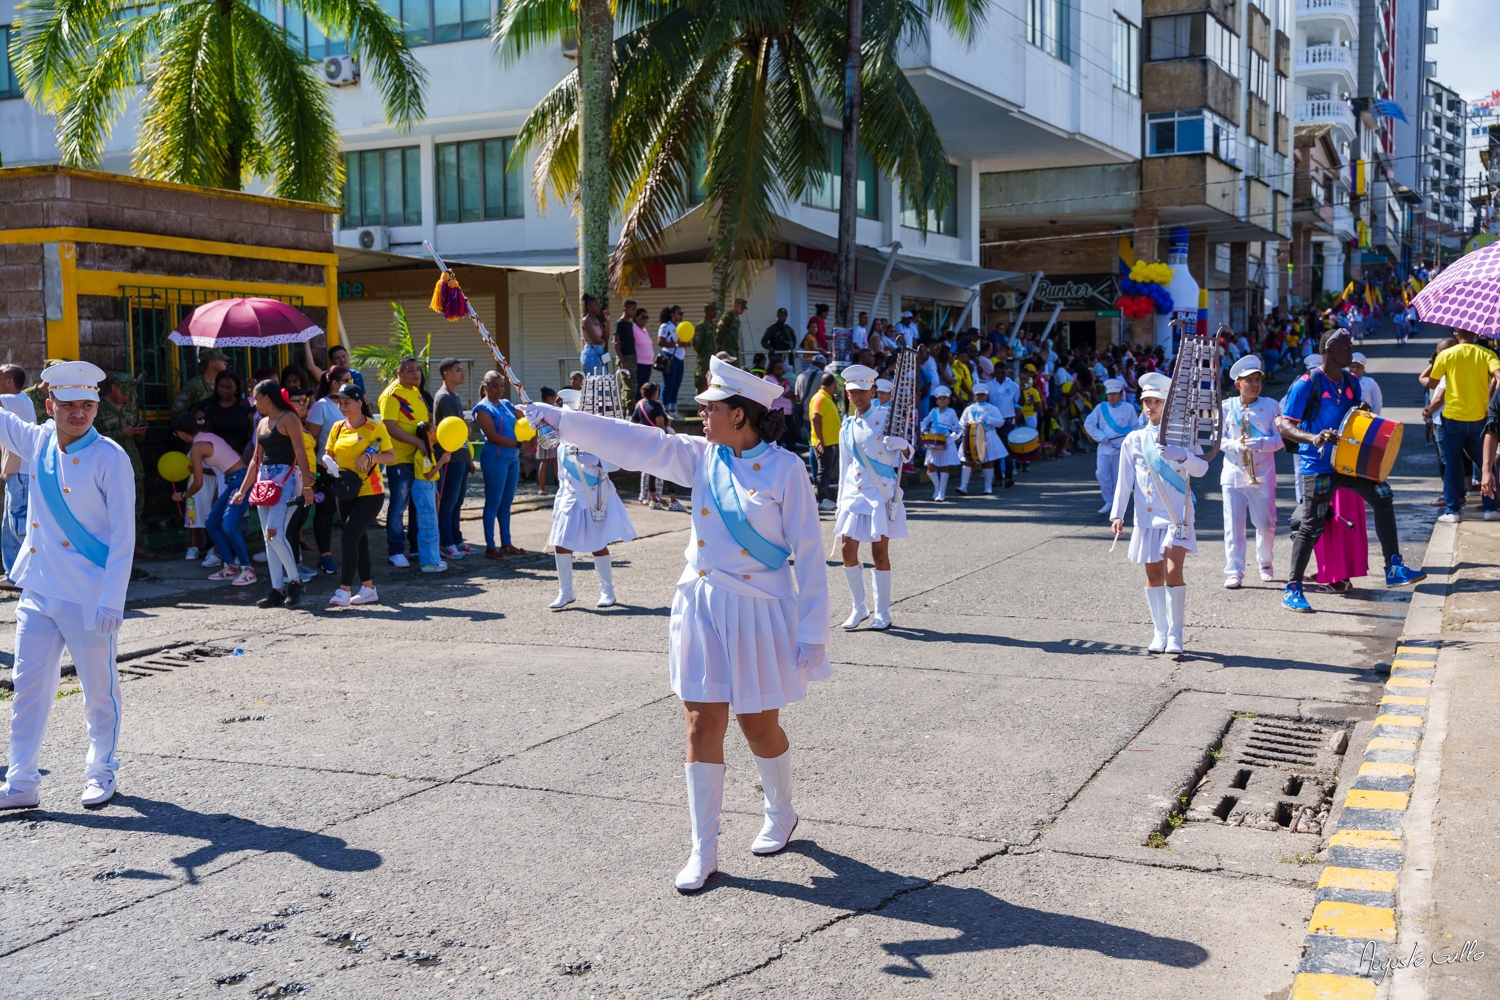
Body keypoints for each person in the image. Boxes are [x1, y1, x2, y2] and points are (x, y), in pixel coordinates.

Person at [522, 355, 831, 892]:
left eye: (711, 408)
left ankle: (781, 812)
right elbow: (636, 441)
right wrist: (562, 420)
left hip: (759, 608)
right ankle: (703, 849)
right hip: (704, 602)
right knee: (699, 722)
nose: (701, 416)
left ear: (740, 414)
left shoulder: (787, 470)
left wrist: (812, 633)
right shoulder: (699, 457)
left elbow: (808, 553)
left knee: (757, 725)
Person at [0, 361, 133, 810]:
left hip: (89, 595)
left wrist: (113, 599)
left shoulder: (111, 457)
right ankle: (21, 782)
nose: (81, 414)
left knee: (99, 691)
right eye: (70, 405)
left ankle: (102, 771)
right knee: (28, 688)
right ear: (48, 403)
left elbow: (123, 536)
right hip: (39, 590)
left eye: (88, 405)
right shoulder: (36, 439)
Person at [1279, 330, 1426, 612]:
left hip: (1348, 462)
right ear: (1329, 350)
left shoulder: (1351, 382)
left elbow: (1351, 418)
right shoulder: (1306, 384)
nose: (1351, 351)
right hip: (1318, 465)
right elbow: (1285, 425)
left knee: (1383, 495)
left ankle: (1393, 567)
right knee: (1312, 525)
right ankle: (1292, 588)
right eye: (1345, 347)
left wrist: (1361, 408)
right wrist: (1313, 437)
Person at [1109, 371, 1208, 654]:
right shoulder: (1134, 439)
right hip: (1147, 516)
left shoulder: (1184, 435)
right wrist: (1118, 515)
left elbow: (1202, 470)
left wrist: (1184, 456)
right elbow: (1124, 480)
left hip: (1178, 514)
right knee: (1153, 576)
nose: (1150, 406)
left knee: (1173, 570)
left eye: (1156, 401)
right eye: (1146, 401)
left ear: (1168, 405)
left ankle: (1176, 635)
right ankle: (1159, 632)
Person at [832, 365, 911, 630]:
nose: (858, 396)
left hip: (881, 492)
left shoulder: (888, 416)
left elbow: (909, 451)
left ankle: (883, 613)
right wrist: (839, 501)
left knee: (879, 552)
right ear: (847, 392)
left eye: (863, 391)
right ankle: (859, 607)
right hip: (855, 493)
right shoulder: (847, 425)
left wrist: (905, 446)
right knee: (846, 549)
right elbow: (845, 466)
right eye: (853, 392)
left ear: (873, 390)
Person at [546, 388, 638, 609]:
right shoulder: (560, 439)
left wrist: (596, 461)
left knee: (598, 544)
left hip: (594, 497)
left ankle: (608, 591)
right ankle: (565, 592)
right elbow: (562, 474)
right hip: (569, 498)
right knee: (561, 544)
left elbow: (617, 462)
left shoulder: (596, 434)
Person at [233, 381, 315, 608]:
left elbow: (300, 452)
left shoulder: (289, 418)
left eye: (256, 398)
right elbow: (255, 459)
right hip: (265, 481)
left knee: (275, 532)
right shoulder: (261, 423)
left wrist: (307, 486)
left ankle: (296, 582)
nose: (254, 402)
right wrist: (242, 490)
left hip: (287, 480)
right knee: (269, 538)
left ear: (267, 397)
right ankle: (277, 589)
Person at [324, 384, 395, 607]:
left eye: (346, 402)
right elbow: (329, 453)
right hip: (344, 490)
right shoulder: (336, 428)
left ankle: (344, 590)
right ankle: (368, 589)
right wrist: (329, 464)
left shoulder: (374, 427)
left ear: (359, 403)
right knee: (358, 539)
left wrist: (371, 458)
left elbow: (390, 456)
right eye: (339, 402)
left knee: (348, 537)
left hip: (370, 492)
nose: (342, 406)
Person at [1418, 328, 1500, 523]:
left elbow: (1432, 383)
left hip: (1453, 419)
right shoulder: (1487, 354)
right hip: (1480, 418)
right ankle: (1490, 508)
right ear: (1476, 334)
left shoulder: (1446, 354)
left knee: (1452, 465)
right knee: (1485, 464)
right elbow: (1498, 375)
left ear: (1456, 335)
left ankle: (1452, 511)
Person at [1218, 357, 1282, 588]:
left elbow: (1281, 439)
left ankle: (1265, 562)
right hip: (1234, 474)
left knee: (1266, 524)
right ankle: (1234, 570)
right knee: (1233, 525)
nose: (1255, 385)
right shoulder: (1226, 407)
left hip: (1262, 474)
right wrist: (1235, 446)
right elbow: (1218, 440)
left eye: (1257, 380)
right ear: (1237, 384)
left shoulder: (1272, 406)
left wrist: (1262, 444)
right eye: (1249, 381)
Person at [378, 356, 431, 568]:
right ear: (399, 374)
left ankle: (415, 547)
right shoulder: (391, 395)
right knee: (399, 506)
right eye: (410, 370)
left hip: (418, 458)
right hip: (399, 459)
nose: (416, 373)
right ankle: (396, 550)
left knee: (417, 505)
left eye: (418, 369)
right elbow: (389, 426)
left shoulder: (416, 392)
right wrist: (417, 441)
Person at [96, 374, 154, 559]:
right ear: (113, 387)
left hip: (132, 463)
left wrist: (139, 432)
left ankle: (135, 546)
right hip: (107, 465)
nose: (126, 397)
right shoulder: (98, 408)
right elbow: (94, 437)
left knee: (137, 505)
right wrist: (121, 433)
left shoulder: (130, 407)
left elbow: (138, 437)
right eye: (123, 392)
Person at [474, 371, 527, 559]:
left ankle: (506, 543)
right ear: (486, 387)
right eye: (495, 386)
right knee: (493, 503)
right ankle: (490, 546)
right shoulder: (482, 409)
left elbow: (524, 418)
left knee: (506, 503)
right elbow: (493, 437)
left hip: (512, 458)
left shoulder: (506, 405)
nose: (499, 389)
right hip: (495, 459)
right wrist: (520, 445)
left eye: (502, 386)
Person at [306, 366, 352, 575]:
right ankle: (325, 555)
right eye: (346, 380)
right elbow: (311, 440)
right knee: (325, 512)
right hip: (325, 468)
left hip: (351, 467)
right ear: (334, 383)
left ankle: (353, 555)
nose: (351, 384)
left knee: (350, 512)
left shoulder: (350, 403)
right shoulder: (321, 407)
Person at [431, 358, 475, 562]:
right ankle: (446, 543)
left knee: (458, 501)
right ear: (446, 374)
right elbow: (455, 430)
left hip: (461, 456)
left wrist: (468, 458)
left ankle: (457, 539)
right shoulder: (444, 398)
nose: (462, 374)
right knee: (448, 501)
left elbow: (462, 431)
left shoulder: (454, 396)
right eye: (458, 370)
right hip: (449, 457)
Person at [1082, 378, 1141, 514]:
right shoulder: (1100, 408)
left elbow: (1135, 427)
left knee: (1118, 478)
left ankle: (1117, 504)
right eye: (1110, 394)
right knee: (1101, 474)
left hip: (1121, 449)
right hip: (1104, 447)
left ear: (1121, 394)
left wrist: (1130, 440)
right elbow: (1089, 424)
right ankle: (1108, 500)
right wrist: (1100, 437)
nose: (1112, 397)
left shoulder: (1128, 408)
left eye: (1115, 394)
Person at [1, 364, 35, 581]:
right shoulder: (17, 402)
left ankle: (29, 575)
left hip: (22, 473)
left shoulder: (17, 400)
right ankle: (14, 575)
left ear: (9, 382)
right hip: (16, 473)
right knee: (8, 528)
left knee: (19, 526)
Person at [633, 382, 683, 510]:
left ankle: (653, 500)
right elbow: (660, 425)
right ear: (655, 393)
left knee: (650, 470)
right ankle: (673, 500)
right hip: (658, 442)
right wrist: (665, 441)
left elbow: (632, 422)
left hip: (646, 442)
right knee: (668, 468)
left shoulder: (640, 406)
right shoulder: (656, 406)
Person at [410, 421, 450, 573]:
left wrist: (434, 488)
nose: (438, 432)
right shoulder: (423, 452)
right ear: (428, 433)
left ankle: (433, 558)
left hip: (428, 486)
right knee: (428, 523)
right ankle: (428, 562)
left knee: (432, 522)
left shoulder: (429, 450)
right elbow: (427, 474)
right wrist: (442, 462)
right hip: (423, 486)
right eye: (434, 430)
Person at [956, 384, 1004, 495]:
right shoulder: (968, 409)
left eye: (982, 395)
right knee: (968, 461)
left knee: (987, 461)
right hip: (971, 438)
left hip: (988, 437)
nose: (980, 397)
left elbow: (1000, 422)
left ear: (986, 396)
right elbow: (961, 423)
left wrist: (988, 419)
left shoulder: (992, 408)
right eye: (978, 395)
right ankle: (963, 487)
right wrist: (955, 435)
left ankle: (988, 487)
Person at [196, 368, 256, 457]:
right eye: (221, 386)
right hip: (211, 455)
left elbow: (254, 432)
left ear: (236, 387)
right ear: (216, 387)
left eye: (229, 387)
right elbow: (194, 424)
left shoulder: (246, 405)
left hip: (240, 455)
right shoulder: (207, 404)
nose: (225, 390)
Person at [920, 386, 961, 501]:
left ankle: (941, 493)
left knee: (944, 466)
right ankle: (937, 488)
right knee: (930, 465)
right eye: (940, 399)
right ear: (937, 401)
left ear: (948, 400)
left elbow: (958, 428)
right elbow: (924, 422)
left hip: (945, 440)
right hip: (933, 440)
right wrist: (923, 429)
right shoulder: (933, 411)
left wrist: (950, 429)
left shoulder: (951, 412)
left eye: (945, 398)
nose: (942, 401)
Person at [808, 372, 842, 509]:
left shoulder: (826, 397)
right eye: (835, 385)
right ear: (832, 384)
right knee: (823, 471)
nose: (836, 388)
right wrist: (821, 440)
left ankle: (824, 497)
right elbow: (816, 419)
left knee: (827, 471)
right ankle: (821, 499)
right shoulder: (820, 398)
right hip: (824, 443)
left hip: (830, 442)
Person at [171, 349, 228, 418]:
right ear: (212, 363)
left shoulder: (223, 385)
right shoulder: (195, 385)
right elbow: (177, 411)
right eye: (222, 360)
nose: (225, 363)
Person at [658, 306, 686, 415]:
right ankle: (666, 410)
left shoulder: (681, 327)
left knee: (677, 384)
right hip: (670, 356)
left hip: (680, 357)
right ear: (672, 314)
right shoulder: (666, 326)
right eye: (679, 313)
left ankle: (674, 409)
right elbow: (660, 342)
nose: (681, 315)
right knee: (669, 384)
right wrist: (678, 344)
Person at [614, 298, 639, 402]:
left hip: (632, 356)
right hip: (625, 357)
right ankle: (627, 409)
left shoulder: (630, 324)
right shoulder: (619, 323)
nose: (634, 312)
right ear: (625, 309)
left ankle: (629, 407)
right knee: (628, 384)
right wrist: (623, 361)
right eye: (633, 309)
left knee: (633, 384)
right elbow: (615, 343)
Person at [632, 307, 656, 405]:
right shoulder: (633, 328)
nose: (645, 319)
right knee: (638, 388)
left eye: (647, 317)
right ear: (636, 317)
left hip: (647, 364)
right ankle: (636, 408)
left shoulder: (644, 330)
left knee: (644, 388)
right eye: (642, 317)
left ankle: (643, 407)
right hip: (639, 364)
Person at [580, 295, 608, 375]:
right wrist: (602, 341)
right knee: (595, 379)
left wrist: (608, 321)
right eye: (596, 306)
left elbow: (605, 337)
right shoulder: (586, 321)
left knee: (603, 379)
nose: (599, 307)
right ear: (589, 307)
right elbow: (595, 339)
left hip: (600, 351)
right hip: (591, 352)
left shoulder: (596, 320)